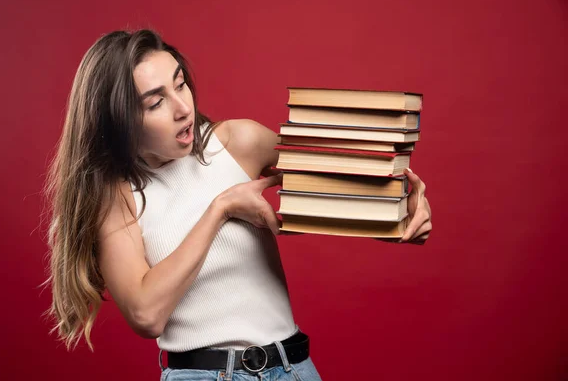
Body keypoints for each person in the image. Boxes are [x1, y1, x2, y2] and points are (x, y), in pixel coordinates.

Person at [43, 29, 432, 381]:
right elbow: (146, 314)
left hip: (294, 368)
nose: (182, 107)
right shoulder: (118, 197)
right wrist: (221, 208)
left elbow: (344, 192)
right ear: (119, 120)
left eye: (181, 84)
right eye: (155, 102)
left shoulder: (235, 143)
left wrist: (402, 217)